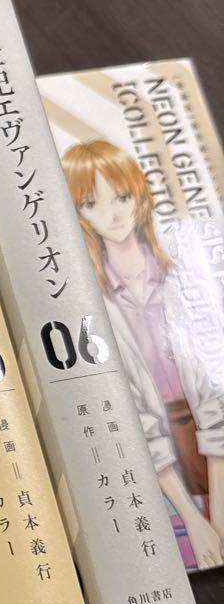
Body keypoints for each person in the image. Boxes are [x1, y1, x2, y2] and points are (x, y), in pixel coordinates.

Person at [62, 139, 224, 569]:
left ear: (140, 194)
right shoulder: (94, 300)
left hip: (209, 435)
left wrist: (218, 517)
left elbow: (214, 403)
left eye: (121, 196)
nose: (112, 214)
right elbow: (135, 415)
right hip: (153, 452)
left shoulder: (180, 272)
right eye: (91, 204)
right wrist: (195, 521)